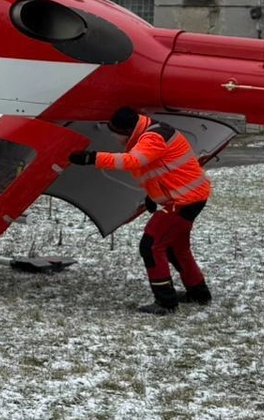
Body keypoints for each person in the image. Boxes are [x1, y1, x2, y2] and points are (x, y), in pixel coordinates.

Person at [68, 107, 213, 315]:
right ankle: (198, 293)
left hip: (182, 201)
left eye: (115, 133)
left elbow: (133, 161)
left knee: (151, 246)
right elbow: (163, 168)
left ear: (126, 131)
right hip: (188, 196)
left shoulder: (153, 137)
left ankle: (165, 302)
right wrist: (153, 196)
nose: (114, 138)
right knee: (175, 248)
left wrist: (92, 158)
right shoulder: (152, 132)